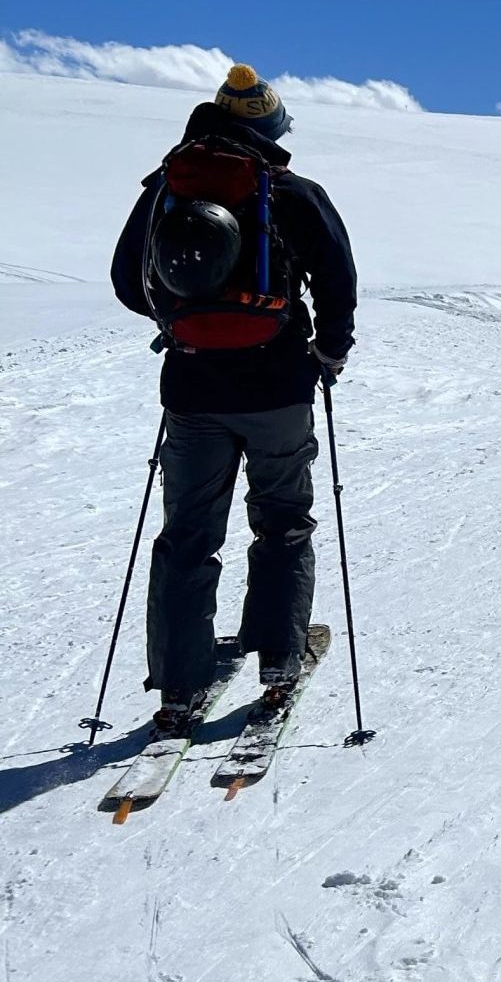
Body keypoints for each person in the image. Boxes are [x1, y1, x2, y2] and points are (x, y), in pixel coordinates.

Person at [111, 65, 358, 730]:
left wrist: (184, 322)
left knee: (188, 534)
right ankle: (279, 664)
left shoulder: (167, 189)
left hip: (192, 390)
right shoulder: (292, 192)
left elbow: (128, 282)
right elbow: (337, 279)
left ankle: (177, 685)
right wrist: (328, 352)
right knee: (281, 521)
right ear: (270, 129)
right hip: (278, 387)